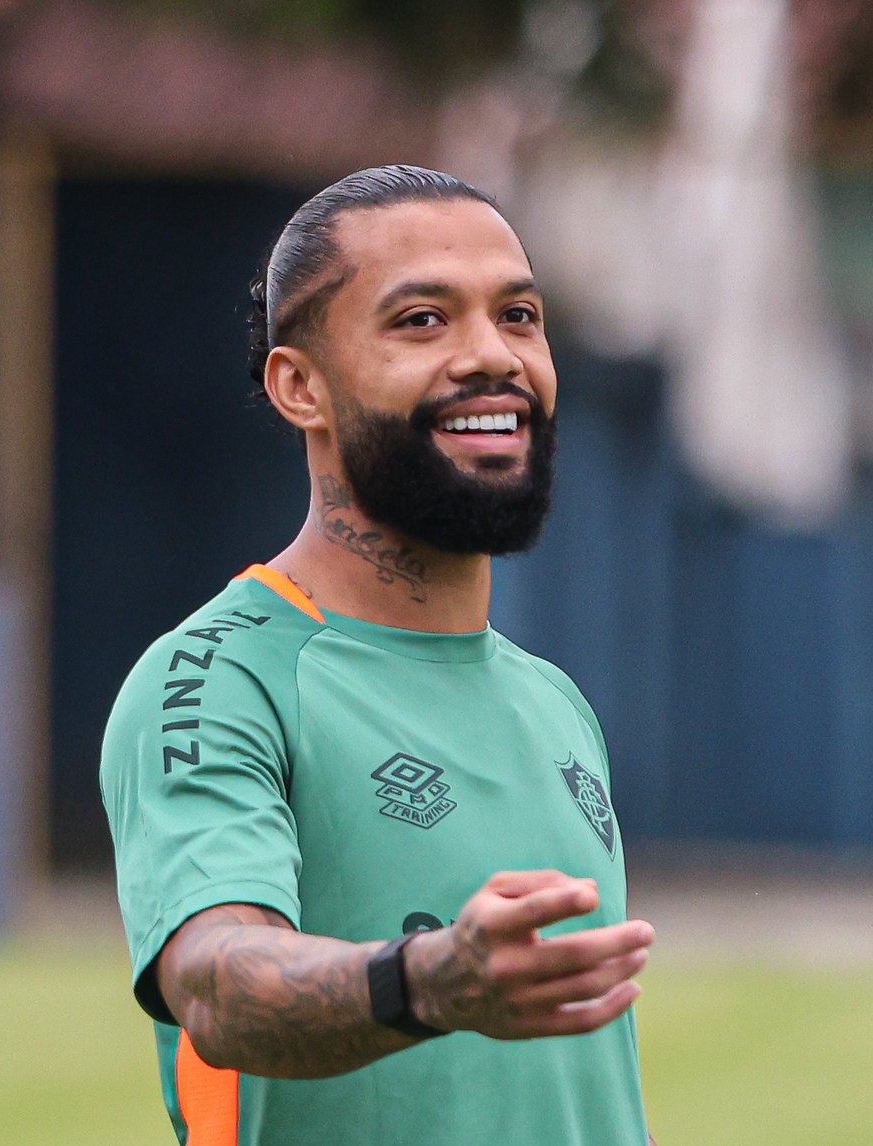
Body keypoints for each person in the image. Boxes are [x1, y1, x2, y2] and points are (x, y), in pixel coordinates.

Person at [100, 164, 656, 1145]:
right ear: (299, 386)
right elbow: (216, 982)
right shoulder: (216, 678)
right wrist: (429, 979)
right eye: (422, 321)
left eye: (519, 315)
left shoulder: (553, 700)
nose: (493, 356)